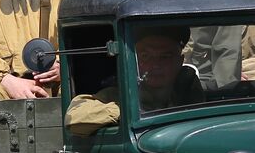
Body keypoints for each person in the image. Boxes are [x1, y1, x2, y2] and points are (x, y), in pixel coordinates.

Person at [65, 26, 205, 134]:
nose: (155, 65)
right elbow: (74, 118)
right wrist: (129, 111)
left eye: (165, 57)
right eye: (145, 56)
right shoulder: (117, 94)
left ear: (179, 61)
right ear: (133, 61)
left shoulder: (187, 88)